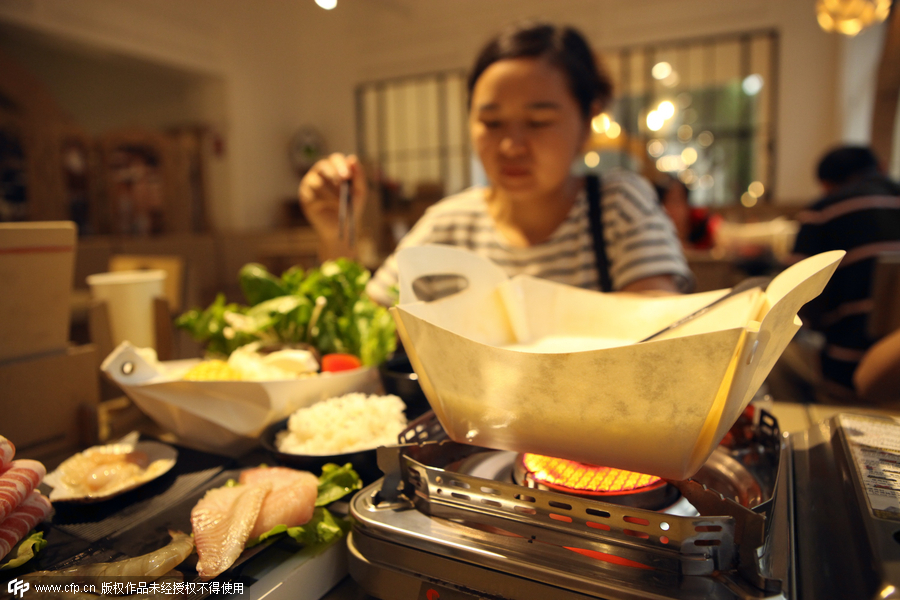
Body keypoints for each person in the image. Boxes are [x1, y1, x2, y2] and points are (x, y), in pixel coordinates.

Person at [299, 22, 693, 306]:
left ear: (587, 122)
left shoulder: (616, 205)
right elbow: (369, 331)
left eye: (539, 122)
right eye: (490, 122)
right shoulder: (449, 225)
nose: (511, 146)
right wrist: (335, 235)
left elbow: (656, 323)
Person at [790, 145, 900, 399]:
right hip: (895, 371)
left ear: (827, 184)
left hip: (847, 369)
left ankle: (813, 426)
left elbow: (795, 301)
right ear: (880, 168)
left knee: (770, 355)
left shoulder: (824, 212)